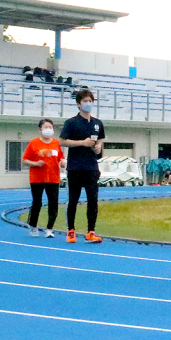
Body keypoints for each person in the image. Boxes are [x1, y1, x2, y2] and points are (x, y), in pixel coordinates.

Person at [59, 88, 105, 244]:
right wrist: (82, 143)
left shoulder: (97, 123)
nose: (88, 104)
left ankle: (91, 231)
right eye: (85, 101)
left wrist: (98, 148)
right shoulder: (71, 123)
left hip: (91, 167)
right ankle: (70, 231)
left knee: (93, 200)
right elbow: (62, 141)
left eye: (90, 101)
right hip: (75, 167)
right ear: (78, 104)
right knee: (73, 199)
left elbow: (100, 143)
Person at [22, 118, 63, 238]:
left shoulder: (56, 143)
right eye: (45, 127)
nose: (48, 129)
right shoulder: (33, 143)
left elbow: (60, 157)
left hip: (53, 177)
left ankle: (49, 228)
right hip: (37, 178)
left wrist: (62, 162)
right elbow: (24, 160)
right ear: (40, 129)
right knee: (37, 202)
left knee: (53, 203)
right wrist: (35, 163)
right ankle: (33, 225)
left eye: (50, 127)